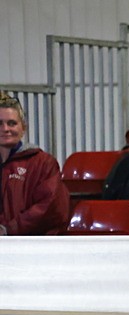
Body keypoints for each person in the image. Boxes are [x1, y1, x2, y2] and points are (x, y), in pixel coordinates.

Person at [0, 92, 69, 235]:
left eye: (12, 123)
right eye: (0, 123)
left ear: (23, 128)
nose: (5, 129)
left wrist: (8, 230)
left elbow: (51, 207)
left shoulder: (43, 163)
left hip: (32, 247)